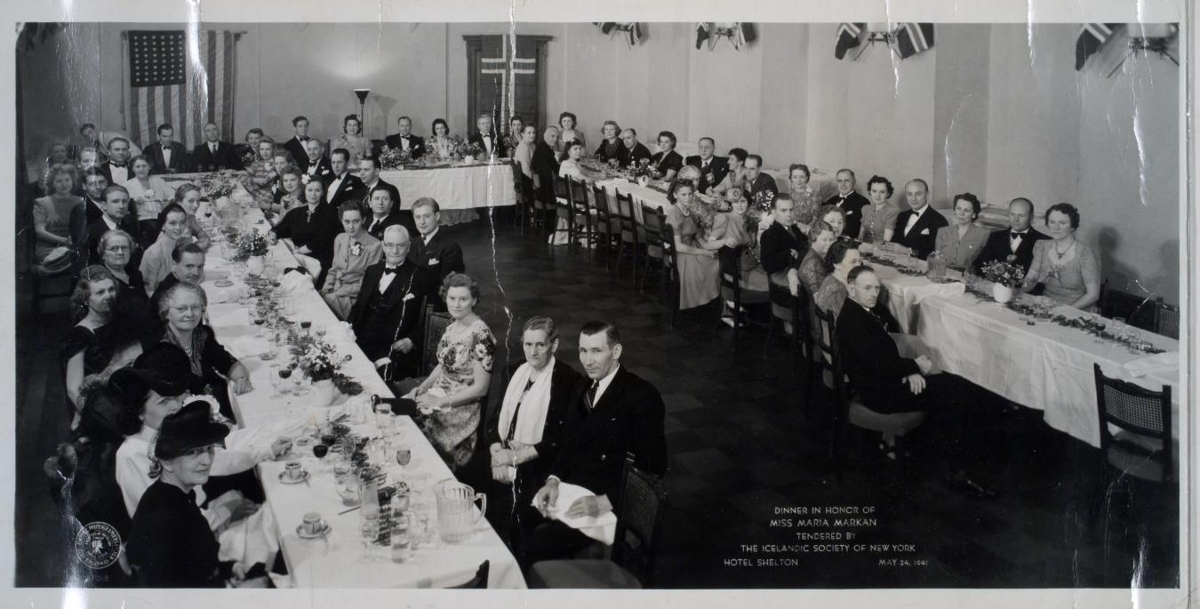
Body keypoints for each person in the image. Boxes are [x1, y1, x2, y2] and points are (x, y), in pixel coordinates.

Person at [836, 266, 997, 498]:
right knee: (958, 392)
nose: (874, 293)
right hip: (883, 395)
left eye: (877, 288)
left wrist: (908, 370)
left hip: (886, 383)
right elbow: (880, 365)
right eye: (867, 288)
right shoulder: (854, 320)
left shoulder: (859, 310)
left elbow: (882, 354)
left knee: (954, 389)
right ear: (851, 288)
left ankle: (951, 461)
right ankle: (960, 471)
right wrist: (914, 366)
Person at [526, 321, 667, 566]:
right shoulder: (582, 386)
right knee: (514, 517)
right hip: (570, 489)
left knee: (535, 546)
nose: (588, 361)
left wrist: (605, 501)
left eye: (596, 351)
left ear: (616, 351)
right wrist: (553, 480)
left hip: (606, 499)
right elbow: (569, 442)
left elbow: (654, 466)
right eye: (583, 350)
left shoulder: (641, 396)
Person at [125, 398, 278, 588]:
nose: (207, 460)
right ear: (166, 462)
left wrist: (230, 567)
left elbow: (195, 564)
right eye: (193, 453)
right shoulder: (164, 517)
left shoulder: (174, 495)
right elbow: (173, 595)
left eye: (209, 448)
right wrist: (240, 593)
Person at [486, 316, 583, 560]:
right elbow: (494, 421)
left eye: (540, 344)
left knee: (510, 517)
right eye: (528, 344)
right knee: (465, 480)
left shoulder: (566, 380)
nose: (533, 351)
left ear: (554, 345)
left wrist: (513, 458)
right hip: (503, 453)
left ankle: (509, 568)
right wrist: (498, 456)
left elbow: (556, 439)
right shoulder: (514, 371)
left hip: (536, 464)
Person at [403, 273, 496, 471]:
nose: (456, 304)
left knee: (412, 429)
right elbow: (443, 364)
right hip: (437, 394)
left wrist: (440, 402)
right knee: (401, 411)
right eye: (452, 298)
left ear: (474, 300)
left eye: (463, 299)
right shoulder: (453, 326)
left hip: (460, 408)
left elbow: (481, 389)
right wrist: (423, 387)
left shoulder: (481, 335)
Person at [146, 282, 251, 419]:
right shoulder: (159, 350)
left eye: (195, 307)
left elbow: (227, 362)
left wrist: (241, 378)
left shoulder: (202, 335)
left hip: (219, 411)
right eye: (181, 309)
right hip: (187, 419)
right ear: (166, 312)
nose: (189, 314)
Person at [348, 225, 426, 382]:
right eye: (390, 245)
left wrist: (412, 340)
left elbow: (437, 313)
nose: (394, 251)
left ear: (408, 247)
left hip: (394, 345)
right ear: (383, 246)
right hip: (364, 339)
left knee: (380, 383)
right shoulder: (372, 270)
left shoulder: (420, 275)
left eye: (400, 245)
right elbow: (359, 307)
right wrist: (347, 330)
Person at [63, 266, 134, 424]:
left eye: (111, 290)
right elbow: (73, 390)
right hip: (101, 408)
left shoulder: (119, 321)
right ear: (85, 299)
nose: (108, 296)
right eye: (100, 292)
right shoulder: (80, 334)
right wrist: (102, 420)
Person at [1021, 203, 1101, 310]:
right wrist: (1016, 288)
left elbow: (1093, 295)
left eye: (1062, 223)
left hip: (1076, 310)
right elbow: (1031, 279)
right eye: (1052, 222)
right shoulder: (1043, 246)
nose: (1056, 228)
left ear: (1073, 226)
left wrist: (1064, 311)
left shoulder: (1085, 253)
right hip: (1045, 307)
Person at [268, 179, 342, 287]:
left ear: (322, 192)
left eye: (317, 190)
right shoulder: (296, 213)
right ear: (305, 191)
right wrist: (273, 234)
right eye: (310, 190)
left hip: (319, 262)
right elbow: (280, 229)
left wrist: (298, 251)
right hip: (298, 257)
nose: (313, 194)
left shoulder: (331, 212)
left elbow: (321, 241)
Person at [662, 180, 720, 310]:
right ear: (675, 195)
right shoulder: (674, 213)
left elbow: (696, 232)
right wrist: (703, 252)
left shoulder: (688, 209)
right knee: (713, 262)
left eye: (690, 194)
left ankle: (709, 300)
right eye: (683, 194)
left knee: (717, 256)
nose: (688, 198)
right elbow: (678, 246)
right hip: (681, 253)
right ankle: (704, 300)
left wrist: (706, 245)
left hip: (692, 245)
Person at [322, 202, 384, 319]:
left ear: (363, 220)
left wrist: (337, 293)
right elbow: (334, 270)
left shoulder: (374, 245)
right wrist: (326, 288)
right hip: (333, 291)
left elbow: (367, 283)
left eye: (356, 221)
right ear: (341, 220)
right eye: (347, 222)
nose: (351, 227)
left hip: (354, 298)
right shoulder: (340, 239)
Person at [409, 197, 466, 306]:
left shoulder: (450, 247)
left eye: (427, 216)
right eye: (418, 217)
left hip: (431, 307)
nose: (422, 222)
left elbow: (447, 288)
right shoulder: (411, 243)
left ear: (437, 216)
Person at [707, 190, 768, 291]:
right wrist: (724, 241)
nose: (739, 205)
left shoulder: (751, 220)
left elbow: (755, 246)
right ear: (731, 203)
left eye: (743, 201)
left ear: (748, 203)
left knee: (776, 275)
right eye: (735, 202)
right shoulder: (724, 218)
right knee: (771, 283)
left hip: (752, 263)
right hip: (736, 270)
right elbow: (709, 245)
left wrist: (766, 261)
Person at [972, 197, 1048, 275]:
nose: (1016, 219)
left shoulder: (1045, 241)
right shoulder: (995, 236)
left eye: (1021, 216)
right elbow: (979, 264)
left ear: (1031, 217)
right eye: (1012, 214)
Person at [33, 163, 84, 274]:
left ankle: (48, 269)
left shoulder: (80, 201)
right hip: (48, 248)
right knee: (71, 258)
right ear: (53, 183)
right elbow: (40, 232)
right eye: (59, 181)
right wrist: (64, 241)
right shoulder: (42, 203)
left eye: (67, 180)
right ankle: (47, 268)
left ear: (72, 181)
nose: (64, 184)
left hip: (73, 247)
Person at [139, 204, 193, 296]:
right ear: (163, 226)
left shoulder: (180, 245)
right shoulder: (153, 253)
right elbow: (148, 291)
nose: (178, 227)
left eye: (182, 222)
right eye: (172, 223)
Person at [148, 242, 206, 323]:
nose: (196, 273)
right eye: (189, 266)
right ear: (174, 265)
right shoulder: (171, 295)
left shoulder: (178, 282)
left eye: (200, 266)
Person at [124, 154, 175, 248]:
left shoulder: (158, 180)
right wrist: (133, 202)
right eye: (138, 166)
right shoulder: (127, 185)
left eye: (144, 166)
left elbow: (172, 196)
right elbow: (125, 206)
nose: (141, 169)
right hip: (141, 220)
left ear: (149, 167)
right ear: (133, 169)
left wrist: (168, 203)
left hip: (161, 217)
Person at [890, 178, 947, 260]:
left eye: (918, 194)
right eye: (909, 194)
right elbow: (894, 242)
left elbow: (937, 254)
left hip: (921, 266)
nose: (913, 198)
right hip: (897, 262)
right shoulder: (902, 216)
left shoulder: (939, 220)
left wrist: (906, 251)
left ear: (927, 194)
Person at [83, 181, 137, 264]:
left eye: (124, 201)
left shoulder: (131, 226)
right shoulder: (91, 233)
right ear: (104, 205)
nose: (121, 206)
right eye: (115, 201)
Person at [97, 229, 148, 315]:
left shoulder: (136, 275)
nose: (120, 252)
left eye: (124, 248)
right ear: (103, 254)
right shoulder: (100, 280)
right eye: (114, 248)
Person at [759, 193, 806, 287]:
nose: (789, 214)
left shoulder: (794, 228)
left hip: (798, 268)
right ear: (774, 213)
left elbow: (805, 245)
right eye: (783, 210)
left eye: (791, 210)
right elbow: (768, 266)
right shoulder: (769, 235)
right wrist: (789, 253)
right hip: (782, 277)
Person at [934, 193, 990, 270]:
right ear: (954, 211)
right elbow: (936, 260)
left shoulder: (983, 234)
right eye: (958, 209)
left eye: (966, 210)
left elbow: (984, 264)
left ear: (974, 214)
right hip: (942, 274)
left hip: (968, 276)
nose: (961, 213)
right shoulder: (942, 232)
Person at [790, 219, 836, 298]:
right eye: (824, 240)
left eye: (831, 240)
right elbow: (819, 299)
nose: (829, 243)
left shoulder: (819, 255)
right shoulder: (812, 264)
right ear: (813, 239)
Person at [813, 240, 863, 315]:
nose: (859, 265)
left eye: (859, 261)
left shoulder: (832, 278)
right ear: (836, 264)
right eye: (853, 262)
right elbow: (852, 319)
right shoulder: (838, 291)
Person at [824, 169, 869, 239]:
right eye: (840, 181)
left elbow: (859, 230)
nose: (843, 184)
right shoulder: (830, 201)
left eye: (846, 181)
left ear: (854, 182)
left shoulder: (863, 202)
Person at [859, 175, 900, 244]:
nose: (877, 195)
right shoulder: (865, 209)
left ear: (888, 193)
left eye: (882, 192)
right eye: (874, 191)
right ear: (870, 192)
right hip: (863, 246)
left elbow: (886, 242)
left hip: (881, 249)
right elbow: (860, 237)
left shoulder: (892, 211)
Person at [172, 184, 213, 251]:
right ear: (178, 202)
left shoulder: (189, 217)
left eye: (198, 201)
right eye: (191, 201)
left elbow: (200, 233)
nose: (196, 205)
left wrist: (201, 244)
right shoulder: (172, 221)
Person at [243, 139, 280, 211]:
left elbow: (263, 182)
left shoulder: (276, 164)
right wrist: (255, 179)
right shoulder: (259, 163)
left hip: (269, 200)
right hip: (257, 196)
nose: (264, 152)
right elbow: (244, 178)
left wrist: (252, 179)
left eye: (268, 149)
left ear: (273, 150)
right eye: (262, 149)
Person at [788, 164, 819, 230]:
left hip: (809, 227)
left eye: (802, 177)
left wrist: (808, 227)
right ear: (791, 178)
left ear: (807, 178)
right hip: (792, 226)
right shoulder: (787, 195)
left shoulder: (814, 194)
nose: (798, 180)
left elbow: (816, 215)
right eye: (795, 177)